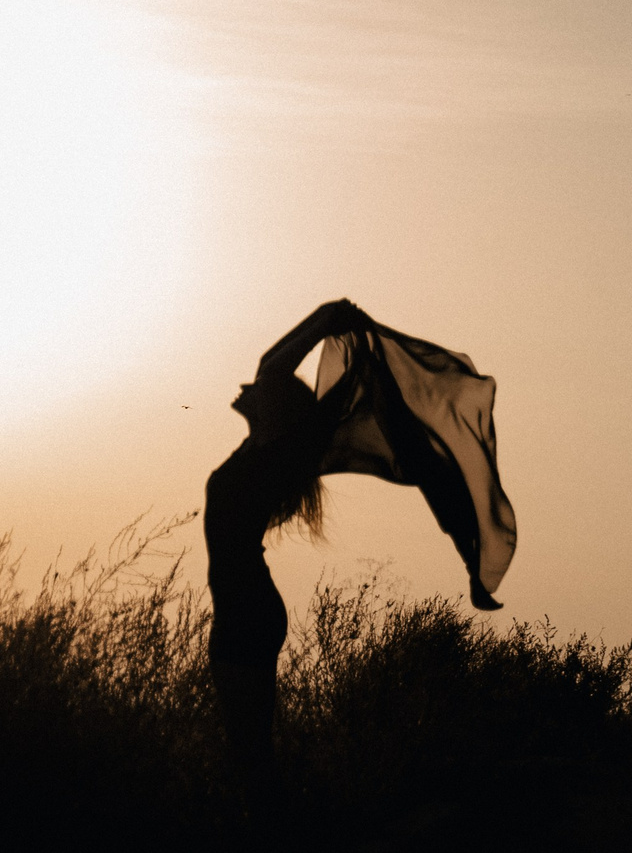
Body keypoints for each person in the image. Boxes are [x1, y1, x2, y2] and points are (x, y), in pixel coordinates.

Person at [204, 298, 517, 797]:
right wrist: (325, 318)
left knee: (250, 758)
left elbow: (271, 366)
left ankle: (270, 826)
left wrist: (327, 317)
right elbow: (269, 371)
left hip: (245, 608)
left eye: (263, 391)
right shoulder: (266, 452)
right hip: (246, 606)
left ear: (277, 410)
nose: (248, 388)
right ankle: (268, 821)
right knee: (249, 753)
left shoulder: (275, 453)